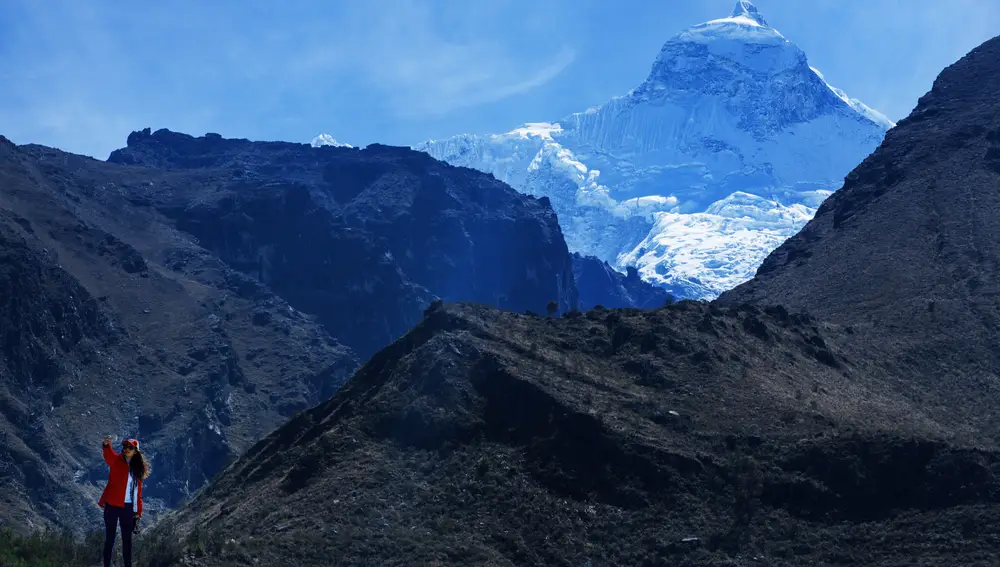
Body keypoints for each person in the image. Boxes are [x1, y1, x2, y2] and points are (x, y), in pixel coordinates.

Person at [98, 436, 150, 567]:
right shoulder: (116, 461)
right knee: (110, 539)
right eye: (125, 447)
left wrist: (138, 512)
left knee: (127, 541)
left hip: (127, 508)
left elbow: (138, 494)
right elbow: (109, 455)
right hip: (112, 505)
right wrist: (106, 445)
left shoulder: (137, 469)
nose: (126, 449)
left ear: (136, 451)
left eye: (130, 447)